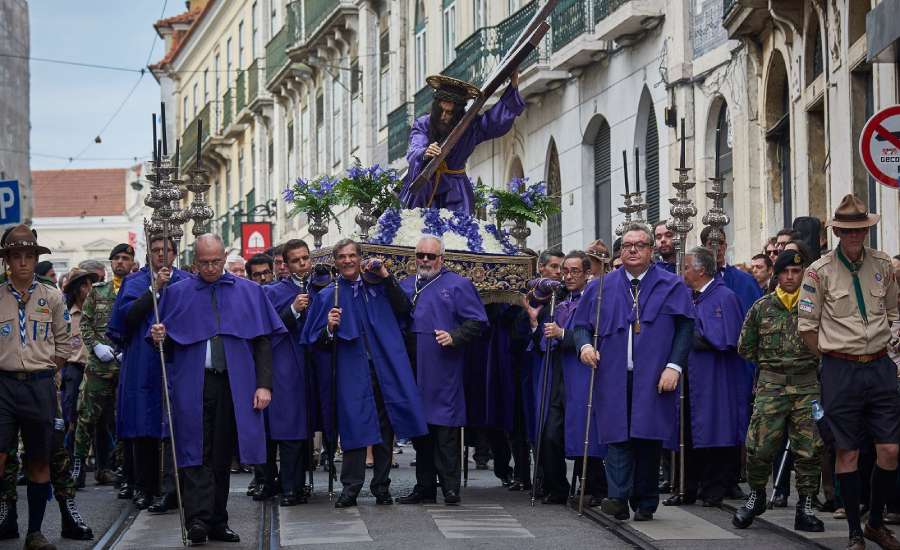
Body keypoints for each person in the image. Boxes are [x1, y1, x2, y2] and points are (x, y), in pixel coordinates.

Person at [150, 234, 280, 544]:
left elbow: (263, 341)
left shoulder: (250, 291)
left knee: (222, 456)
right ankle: (197, 520)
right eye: (204, 262)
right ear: (194, 262)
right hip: (193, 382)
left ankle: (218, 520)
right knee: (195, 451)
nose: (210, 268)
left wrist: (264, 385)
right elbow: (164, 347)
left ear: (224, 258)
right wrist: (159, 336)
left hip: (233, 383)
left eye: (216, 262)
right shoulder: (176, 292)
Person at [573, 223, 694, 521]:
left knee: (647, 437)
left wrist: (674, 366)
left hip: (655, 376)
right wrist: (585, 347)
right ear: (620, 251)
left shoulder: (671, 285)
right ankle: (617, 497)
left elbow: (685, 328)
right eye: (627, 245)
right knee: (616, 437)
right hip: (612, 375)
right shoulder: (600, 287)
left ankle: (645, 500)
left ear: (651, 250)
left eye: (640, 244)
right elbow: (580, 326)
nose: (632, 249)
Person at [798, 194, 900, 550]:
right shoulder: (818, 272)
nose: (855, 236)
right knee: (848, 452)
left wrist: (892, 344)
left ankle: (875, 522)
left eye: (861, 230)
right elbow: (807, 325)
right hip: (841, 368)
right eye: (848, 231)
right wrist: (830, 358)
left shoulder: (883, 265)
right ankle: (855, 533)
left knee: (889, 449)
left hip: (880, 366)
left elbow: (893, 310)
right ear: (838, 231)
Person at [301, 239, 428, 508]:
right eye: (342, 257)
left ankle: (381, 485)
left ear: (360, 258)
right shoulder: (328, 295)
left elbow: (405, 309)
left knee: (385, 428)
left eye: (352, 256)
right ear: (335, 261)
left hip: (384, 368)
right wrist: (328, 327)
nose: (347, 261)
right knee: (354, 426)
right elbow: (313, 341)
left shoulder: (378, 288)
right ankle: (351, 487)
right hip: (351, 370)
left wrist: (386, 276)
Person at [733, 250, 824, 532]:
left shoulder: (816, 307)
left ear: (803, 274)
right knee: (759, 447)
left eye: (796, 272)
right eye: (785, 271)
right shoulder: (762, 308)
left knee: (810, 449)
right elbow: (745, 347)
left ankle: (805, 504)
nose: (790, 277)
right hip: (771, 386)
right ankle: (757, 494)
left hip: (807, 385)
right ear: (777, 273)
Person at [397, 236, 487, 506]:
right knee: (420, 430)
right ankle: (424, 487)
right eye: (420, 255)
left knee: (445, 430)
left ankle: (450, 488)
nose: (425, 260)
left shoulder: (458, 285)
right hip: (413, 367)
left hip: (443, 368)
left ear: (441, 259)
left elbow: (478, 321)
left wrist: (455, 336)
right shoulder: (406, 285)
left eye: (430, 256)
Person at [0, 225, 72, 550]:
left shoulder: (52, 296)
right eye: (17, 256)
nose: (24, 263)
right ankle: (6, 515)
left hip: (40, 386)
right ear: (7, 261)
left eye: (30, 256)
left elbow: (64, 343)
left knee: (39, 459)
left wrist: (47, 375)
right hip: (3, 384)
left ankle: (35, 532)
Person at [107, 235, 189, 511]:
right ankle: (143, 486)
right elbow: (126, 318)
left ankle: (172, 488)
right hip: (142, 363)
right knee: (143, 425)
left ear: (175, 254)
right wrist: (154, 289)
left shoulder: (186, 282)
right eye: (155, 251)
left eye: (166, 251)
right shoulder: (135, 282)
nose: (161, 255)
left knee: (174, 427)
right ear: (149, 254)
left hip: (175, 361)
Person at [663, 247, 748, 507]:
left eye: (686, 267)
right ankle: (687, 486)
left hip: (715, 378)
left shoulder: (724, 297)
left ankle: (713, 488)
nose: (683, 272)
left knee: (714, 430)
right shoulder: (688, 296)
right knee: (686, 431)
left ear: (700, 270)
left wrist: (692, 335)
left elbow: (727, 337)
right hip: (688, 375)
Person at [531, 250, 607, 505]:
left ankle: (595, 488)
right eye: (565, 271)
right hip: (558, 373)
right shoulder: (560, 302)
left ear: (587, 273)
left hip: (582, 372)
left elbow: (595, 334)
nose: (569, 276)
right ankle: (557, 486)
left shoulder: (595, 299)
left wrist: (563, 334)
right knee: (551, 431)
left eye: (575, 271)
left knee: (585, 429)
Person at [400, 72, 525, 213]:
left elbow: (493, 122)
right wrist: (425, 151)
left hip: (457, 192)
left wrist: (513, 84)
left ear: (458, 112)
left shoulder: (470, 126)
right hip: (425, 189)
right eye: (441, 111)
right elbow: (414, 148)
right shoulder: (423, 124)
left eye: (449, 113)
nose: (443, 116)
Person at [257, 239, 314, 506]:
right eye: (296, 260)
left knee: (305, 429)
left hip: (312, 366)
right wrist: (292, 310)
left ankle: (300, 484)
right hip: (285, 366)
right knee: (288, 427)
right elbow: (266, 330)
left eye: (305, 258)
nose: (302, 264)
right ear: (286, 265)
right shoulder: (274, 292)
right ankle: (287, 487)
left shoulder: (321, 287)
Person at [73, 244, 135, 490]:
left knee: (123, 419)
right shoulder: (98, 292)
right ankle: (77, 466)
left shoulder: (137, 290)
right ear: (111, 262)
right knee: (87, 417)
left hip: (125, 367)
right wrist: (96, 346)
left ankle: (118, 467)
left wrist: (125, 352)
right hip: (99, 368)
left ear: (132, 262)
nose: (120, 262)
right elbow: (85, 324)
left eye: (125, 258)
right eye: (117, 258)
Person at [59, 269, 100, 469]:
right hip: (73, 370)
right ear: (76, 289)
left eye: (90, 284)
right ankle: (73, 465)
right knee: (71, 419)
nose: (89, 289)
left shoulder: (98, 311)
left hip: (95, 369)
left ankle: (99, 465)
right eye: (84, 285)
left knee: (94, 419)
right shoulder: (66, 314)